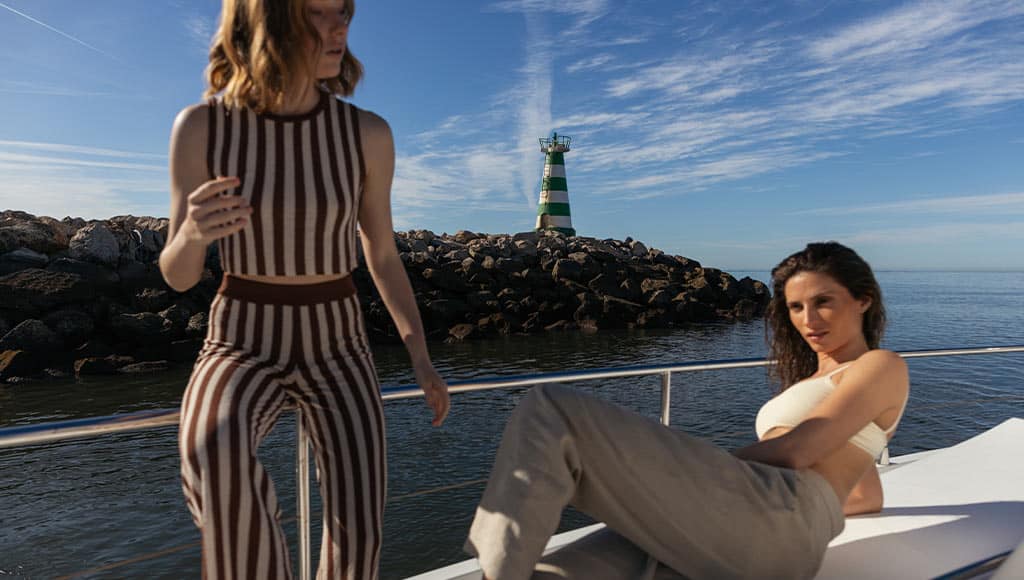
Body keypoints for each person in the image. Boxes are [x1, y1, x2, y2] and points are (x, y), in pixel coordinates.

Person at [158, 1, 450, 578]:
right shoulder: (202, 126)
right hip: (240, 336)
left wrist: (420, 355)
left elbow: (382, 251)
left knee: (359, 520)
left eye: (343, 11)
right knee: (209, 452)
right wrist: (192, 232)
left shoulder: (366, 133)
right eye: (319, 13)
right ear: (267, 20)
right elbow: (178, 274)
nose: (340, 26)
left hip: (337, 338)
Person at [464, 241, 910, 579]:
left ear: (863, 299)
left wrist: (697, 468)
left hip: (777, 514)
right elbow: (864, 493)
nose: (808, 318)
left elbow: (799, 450)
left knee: (550, 410)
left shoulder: (879, 365)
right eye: (796, 306)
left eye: (823, 301)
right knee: (561, 572)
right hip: (757, 534)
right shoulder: (820, 384)